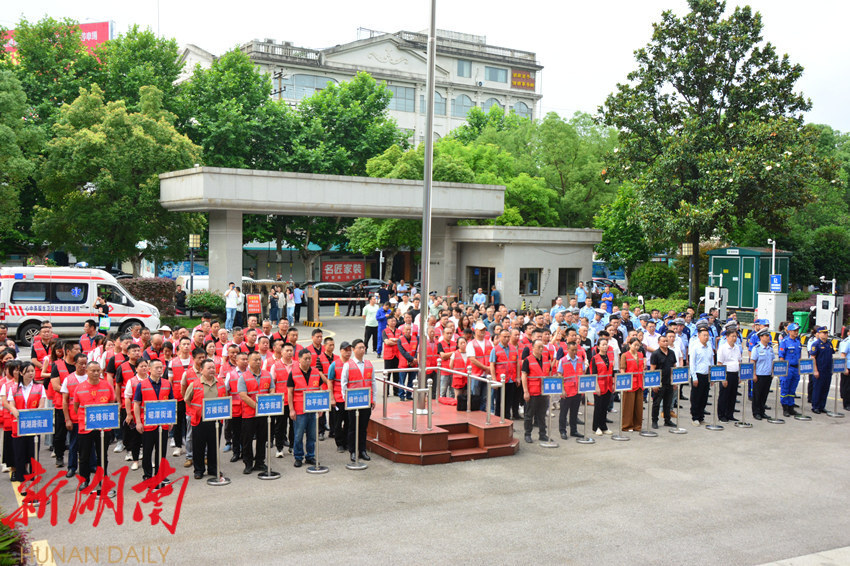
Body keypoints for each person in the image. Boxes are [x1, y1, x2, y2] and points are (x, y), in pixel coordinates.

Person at [73, 361, 115, 494]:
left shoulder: (107, 386)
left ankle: (102, 478)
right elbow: (76, 406)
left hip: (103, 427)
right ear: (87, 372)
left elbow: (111, 403)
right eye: (93, 371)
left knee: (102, 455)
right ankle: (84, 480)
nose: (96, 373)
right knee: (84, 455)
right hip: (85, 427)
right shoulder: (80, 387)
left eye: (98, 370)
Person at [185, 359, 226, 479]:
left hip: (216, 420)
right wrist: (196, 410)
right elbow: (187, 399)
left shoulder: (220, 382)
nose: (212, 370)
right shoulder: (195, 384)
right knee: (199, 446)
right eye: (209, 368)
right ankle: (199, 470)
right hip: (199, 420)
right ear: (201, 370)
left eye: (213, 367)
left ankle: (213, 469)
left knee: (214, 446)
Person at [133, 359, 173, 480]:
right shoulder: (142, 385)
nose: (160, 370)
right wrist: (138, 422)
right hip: (148, 423)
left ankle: (160, 474)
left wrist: (171, 420)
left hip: (163, 422)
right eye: (157, 368)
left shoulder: (167, 384)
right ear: (149, 369)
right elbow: (136, 404)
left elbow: (171, 403)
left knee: (162, 450)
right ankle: (148, 475)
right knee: (147, 450)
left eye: (161, 367)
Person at [7, 362, 46, 483]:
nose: (31, 373)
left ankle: (34, 476)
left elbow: (41, 404)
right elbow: (11, 405)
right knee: (19, 453)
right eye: (28, 371)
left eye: (32, 371)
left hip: (33, 425)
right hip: (18, 425)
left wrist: (34, 415)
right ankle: (20, 477)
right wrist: (16, 413)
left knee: (33, 451)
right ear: (21, 373)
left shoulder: (39, 387)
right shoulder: (13, 389)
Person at [340, 339, 374, 463]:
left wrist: (374, 399)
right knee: (353, 427)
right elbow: (344, 384)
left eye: (363, 347)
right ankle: (353, 451)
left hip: (365, 401)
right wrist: (346, 399)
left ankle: (362, 450)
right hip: (353, 401)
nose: (362, 350)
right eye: (359, 347)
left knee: (363, 427)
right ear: (354, 350)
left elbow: (373, 382)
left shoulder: (369, 364)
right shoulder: (348, 365)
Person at [238, 352, 272, 474]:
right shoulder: (243, 377)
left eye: (259, 359)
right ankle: (248, 463)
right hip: (249, 414)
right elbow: (243, 395)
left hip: (263, 414)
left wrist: (269, 401)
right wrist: (258, 407)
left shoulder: (267, 374)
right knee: (247, 440)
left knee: (262, 439)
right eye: (255, 360)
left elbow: (272, 389)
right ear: (248, 362)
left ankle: (260, 462)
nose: (258, 362)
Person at [287, 349, 323, 468]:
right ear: (299, 359)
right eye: (305, 359)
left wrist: (321, 408)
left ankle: (310, 456)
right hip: (299, 410)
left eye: (309, 359)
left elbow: (320, 389)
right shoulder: (293, 373)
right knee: (298, 435)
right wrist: (291, 409)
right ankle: (298, 457)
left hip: (313, 409)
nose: (308, 361)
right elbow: (290, 392)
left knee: (312, 435)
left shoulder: (316, 372)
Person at [521, 339, 550, 443]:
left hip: (543, 392)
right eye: (539, 347)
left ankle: (543, 434)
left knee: (542, 415)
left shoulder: (546, 359)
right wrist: (525, 391)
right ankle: (527, 434)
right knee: (529, 415)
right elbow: (524, 376)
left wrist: (549, 391)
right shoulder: (528, 360)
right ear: (533, 348)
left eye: (542, 347)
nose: (541, 349)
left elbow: (549, 375)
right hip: (532, 391)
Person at [557, 342, 585, 439]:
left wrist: (582, 389)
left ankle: (574, 430)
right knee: (563, 412)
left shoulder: (580, 360)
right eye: (572, 350)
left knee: (574, 412)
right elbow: (560, 375)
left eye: (576, 350)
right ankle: (562, 431)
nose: (574, 352)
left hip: (577, 390)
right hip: (567, 391)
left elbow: (582, 374)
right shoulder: (563, 360)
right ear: (568, 349)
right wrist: (562, 390)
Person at [649, 334, 677, 428]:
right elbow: (652, 369)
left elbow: (674, 367)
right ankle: (654, 421)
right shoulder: (655, 354)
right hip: (659, 382)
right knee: (656, 403)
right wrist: (654, 384)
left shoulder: (672, 353)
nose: (665, 343)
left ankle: (667, 420)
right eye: (663, 341)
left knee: (668, 403)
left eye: (666, 341)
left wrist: (674, 382)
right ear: (659, 342)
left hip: (669, 382)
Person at [716, 323, 742, 423]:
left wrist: (739, 375)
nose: (734, 338)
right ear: (727, 337)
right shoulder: (723, 348)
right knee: (724, 396)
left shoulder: (737, 348)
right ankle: (722, 415)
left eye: (735, 336)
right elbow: (720, 363)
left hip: (735, 373)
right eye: (732, 336)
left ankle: (730, 414)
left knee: (732, 395)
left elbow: (739, 361)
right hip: (727, 373)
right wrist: (723, 378)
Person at [590, 336, 615, 435]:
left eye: (606, 344)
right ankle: (596, 427)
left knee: (605, 407)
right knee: (598, 407)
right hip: (599, 386)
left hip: (608, 385)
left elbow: (612, 372)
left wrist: (613, 384)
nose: (605, 346)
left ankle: (603, 426)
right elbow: (593, 374)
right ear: (598, 347)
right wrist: (596, 387)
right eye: (603, 345)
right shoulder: (595, 358)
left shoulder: (610, 357)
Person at [689, 326, 713, 426]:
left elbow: (711, 361)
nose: (706, 337)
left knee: (704, 397)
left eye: (707, 335)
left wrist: (712, 376)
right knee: (696, 397)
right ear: (699, 336)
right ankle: (695, 417)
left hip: (706, 375)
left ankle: (701, 416)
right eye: (704, 335)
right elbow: (692, 363)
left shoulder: (709, 347)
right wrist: (694, 377)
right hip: (698, 375)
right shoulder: (695, 347)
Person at [620, 337, 645, 432]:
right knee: (628, 405)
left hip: (639, 382)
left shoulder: (641, 355)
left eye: (638, 345)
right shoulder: (625, 355)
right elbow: (622, 369)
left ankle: (637, 425)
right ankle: (627, 426)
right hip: (629, 383)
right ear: (630, 345)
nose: (637, 347)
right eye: (635, 345)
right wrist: (624, 382)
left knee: (638, 405)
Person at [777, 323, 802, 417]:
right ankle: (785, 408)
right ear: (789, 331)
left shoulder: (798, 342)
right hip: (788, 368)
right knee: (785, 388)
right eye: (794, 330)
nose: (796, 332)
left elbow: (799, 355)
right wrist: (783, 369)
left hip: (796, 368)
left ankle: (791, 407)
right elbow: (781, 356)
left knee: (792, 389)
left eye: (797, 330)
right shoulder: (785, 341)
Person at [750, 328, 775, 420]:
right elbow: (753, 362)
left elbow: (772, 361)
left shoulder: (770, 348)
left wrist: (772, 372)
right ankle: (756, 412)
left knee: (764, 394)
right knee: (757, 395)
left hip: (768, 375)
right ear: (761, 337)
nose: (768, 337)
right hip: (759, 375)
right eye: (766, 336)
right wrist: (753, 374)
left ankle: (762, 411)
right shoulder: (756, 348)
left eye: (769, 336)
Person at [809, 326, 835, 414]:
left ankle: (822, 406)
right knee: (818, 389)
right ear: (819, 334)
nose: (826, 334)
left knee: (825, 389)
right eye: (824, 333)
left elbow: (831, 356)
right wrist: (815, 370)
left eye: (826, 333)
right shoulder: (816, 344)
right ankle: (815, 406)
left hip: (827, 370)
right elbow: (813, 357)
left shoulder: (829, 343)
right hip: (820, 369)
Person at [839, 332, 850, 412]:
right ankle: (847, 404)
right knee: (847, 387)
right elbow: (843, 354)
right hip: (848, 367)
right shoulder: (848, 341)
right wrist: (844, 367)